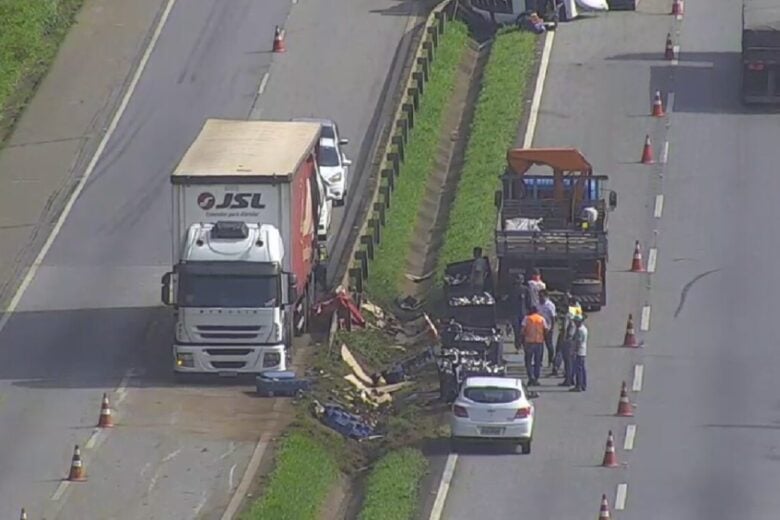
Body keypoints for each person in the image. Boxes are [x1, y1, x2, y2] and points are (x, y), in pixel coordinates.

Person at [520, 305, 549, 386]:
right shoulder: (541, 319)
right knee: (537, 362)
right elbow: (546, 330)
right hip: (539, 342)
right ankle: (536, 378)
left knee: (528, 361)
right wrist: (544, 338)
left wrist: (521, 341)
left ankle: (531, 378)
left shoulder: (527, 318)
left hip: (529, 343)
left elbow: (522, 331)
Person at [511, 273, 532, 351]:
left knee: (523, 330)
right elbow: (509, 302)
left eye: (520, 279)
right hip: (515, 313)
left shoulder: (526, 289)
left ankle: (522, 343)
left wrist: (529, 312)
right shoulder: (512, 289)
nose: (519, 281)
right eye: (518, 279)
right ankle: (517, 345)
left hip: (523, 313)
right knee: (516, 330)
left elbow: (529, 301)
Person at [538, 290, 556, 369]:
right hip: (539, 328)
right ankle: (539, 362)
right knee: (539, 346)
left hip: (548, 328)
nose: (540, 298)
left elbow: (553, 317)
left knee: (549, 345)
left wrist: (552, 328)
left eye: (541, 296)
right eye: (539, 296)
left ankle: (550, 361)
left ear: (545, 296)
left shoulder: (550, 305)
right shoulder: (538, 305)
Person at [570, 314, 588, 392]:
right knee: (582, 369)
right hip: (582, 351)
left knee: (578, 370)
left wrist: (574, 351)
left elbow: (578, 342)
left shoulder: (580, 330)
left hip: (579, 352)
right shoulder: (584, 328)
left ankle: (579, 386)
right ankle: (583, 384)